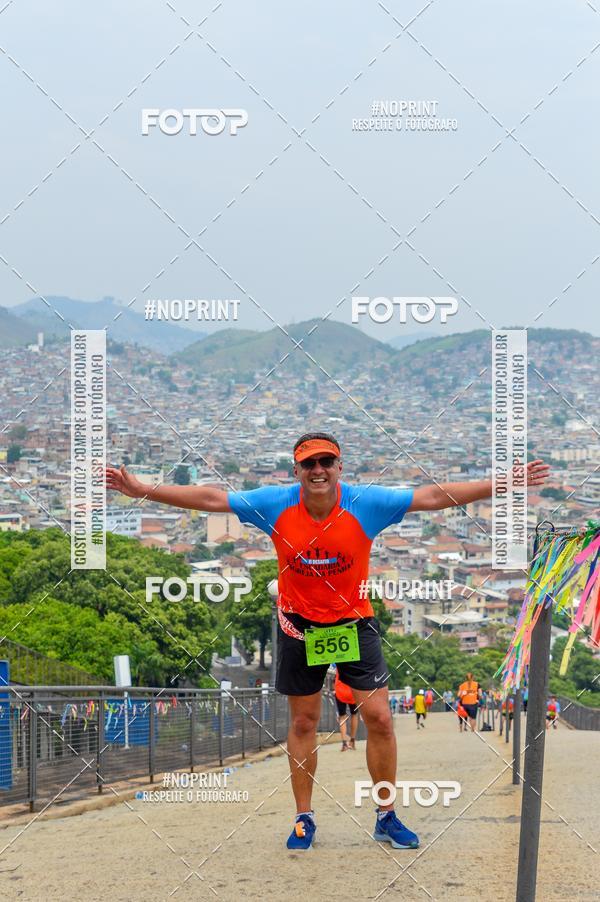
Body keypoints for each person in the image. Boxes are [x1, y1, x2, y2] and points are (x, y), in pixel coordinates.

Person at [107, 433, 548, 851]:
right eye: (308, 463)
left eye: (325, 461)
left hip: (353, 622)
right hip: (299, 626)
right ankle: (304, 816)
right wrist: (144, 491)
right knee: (302, 723)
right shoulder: (274, 504)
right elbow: (211, 499)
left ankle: (386, 812)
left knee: (379, 718)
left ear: (339, 466)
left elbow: (433, 496)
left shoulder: (366, 503)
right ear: (296, 470)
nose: (318, 470)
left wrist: (503, 483)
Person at [334, 667, 358, 750]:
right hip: (353, 690)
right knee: (354, 714)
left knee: (342, 717)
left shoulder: (337, 658)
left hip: (340, 690)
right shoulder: (353, 657)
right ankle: (352, 741)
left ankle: (344, 744)